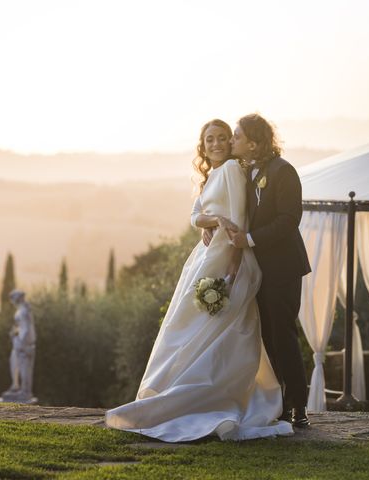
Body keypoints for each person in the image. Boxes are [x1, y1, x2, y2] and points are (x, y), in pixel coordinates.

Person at [105, 119, 293, 442]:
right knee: (185, 328)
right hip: (207, 258)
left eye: (224, 138)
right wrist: (211, 219)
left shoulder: (233, 171)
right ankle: (173, 394)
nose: (218, 143)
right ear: (202, 146)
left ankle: (218, 398)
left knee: (222, 332)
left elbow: (240, 221)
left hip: (228, 261)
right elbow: (195, 214)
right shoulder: (211, 175)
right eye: (211, 140)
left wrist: (232, 270)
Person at [226, 113, 311, 427]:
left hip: (283, 267)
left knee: (283, 335)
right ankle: (278, 403)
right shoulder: (246, 173)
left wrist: (248, 239)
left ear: (254, 141)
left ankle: (298, 406)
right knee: (268, 338)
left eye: (237, 136)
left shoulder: (284, 171)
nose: (232, 140)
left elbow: (289, 220)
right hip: (257, 269)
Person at [0, 289, 37, 403]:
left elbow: (27, 329)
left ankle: (25, 391)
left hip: (23, 344)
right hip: (19, 343)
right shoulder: (22, 310)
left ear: (16, 299)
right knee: (14, 363)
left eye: (12, 299)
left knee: (24, 368)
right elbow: (22, 327)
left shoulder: (24, 311)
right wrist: (15, 332)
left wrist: (21, 341)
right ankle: (16, 386)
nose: (11, 302)